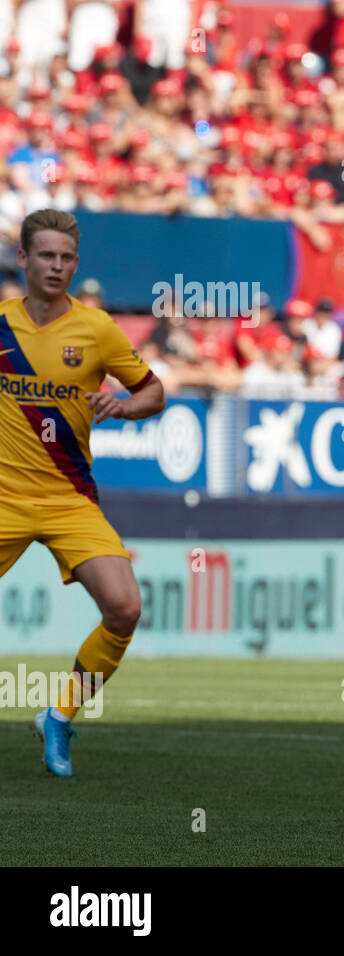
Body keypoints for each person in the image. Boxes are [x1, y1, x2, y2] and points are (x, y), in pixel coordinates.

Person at [3, 210, 166, 777]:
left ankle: (59, 715)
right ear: (22, 259)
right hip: (3, 498)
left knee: (125, 608)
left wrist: (124, 405)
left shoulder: (96, 329)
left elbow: (154, 392)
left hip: (71, 498)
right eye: (46, 255)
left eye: (66, 257)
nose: (57, 266)